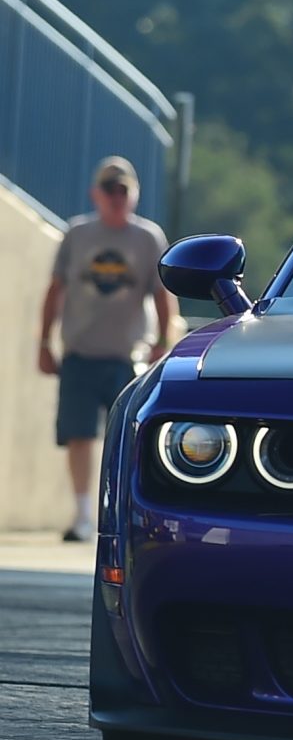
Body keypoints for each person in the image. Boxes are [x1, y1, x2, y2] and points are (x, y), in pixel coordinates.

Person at [37, 156, 175, 541]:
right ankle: (82, 513)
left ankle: (121, 512)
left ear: (134, 195)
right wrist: (44, 342)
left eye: (123, 191)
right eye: (109, 190)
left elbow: (163, 297)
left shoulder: (148, 238)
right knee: (78, 435)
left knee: (127, 439)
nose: (116, 197)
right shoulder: (78, 234)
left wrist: (163, 344)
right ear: (95, 194)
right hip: (80, 352)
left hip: (126, 357)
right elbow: (55, 290)